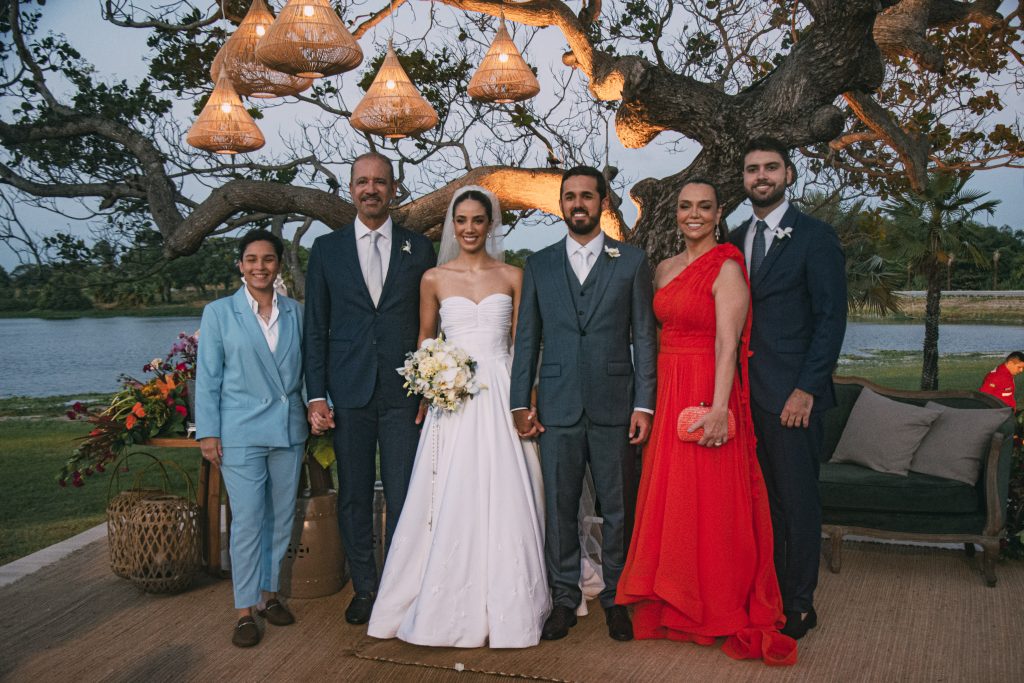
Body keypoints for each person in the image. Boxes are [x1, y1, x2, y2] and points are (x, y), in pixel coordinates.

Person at [616, 180, 797, 665]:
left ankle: (711, 603)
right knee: (671, 497)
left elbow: (728, 345)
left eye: (704, 207)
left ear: (719, 214)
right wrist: (646, 400)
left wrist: (719, 409)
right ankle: (670, 598)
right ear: (675, 213)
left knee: (709, 501)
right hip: (668, 385)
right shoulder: (663, 268)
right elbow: (650, 339)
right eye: (684, 206)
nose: (693, 214)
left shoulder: (728, 267)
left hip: (705, 390)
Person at [367, 186, 550, 648]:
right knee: (452, 486)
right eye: (461, 221)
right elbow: (426, 339)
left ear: (491, 225)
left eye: (477, 220)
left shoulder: (514, 275)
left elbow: (522, 344)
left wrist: (525, 399)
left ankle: (512, 600)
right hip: (454, 397)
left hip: (501, 388)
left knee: (507, 486)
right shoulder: (433, 278)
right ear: (453, 226)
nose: (469, 229)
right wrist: (431, 383)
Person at [510, 166, 658, 642]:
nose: (578, 203)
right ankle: (563, 598)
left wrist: (645, 404)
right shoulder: (540, 264)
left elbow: (644, 338)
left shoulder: (631, 261)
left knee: (618, 507)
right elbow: (527, 339)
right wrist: (519, 401)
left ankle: (617, 597)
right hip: (557, 405)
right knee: (560, 506)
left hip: (616, 403)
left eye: (587, 196)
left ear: (602, 202)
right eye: (570, 196)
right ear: (561, 204)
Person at [303, 152, 436, 625]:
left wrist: (430, 384)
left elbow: (431, 323)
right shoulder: (326, 250)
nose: (371, 189)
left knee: (404, 494)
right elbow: (315, 327)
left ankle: (400, 589)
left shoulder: (419, 248)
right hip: (349, 392)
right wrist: (315, 394)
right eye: (363, 181)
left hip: (404, 394)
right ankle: (365, 586)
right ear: (351, 188)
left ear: (393, 189)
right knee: (354, 494)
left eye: (380, 181)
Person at [728, 137, 847, 640]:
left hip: (791, 399)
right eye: (753, 169)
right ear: (744, 179)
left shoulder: (815, 237)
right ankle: (761, 592)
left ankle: (798, 603)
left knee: (795, 502)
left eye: (771, 168)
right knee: (752, 501)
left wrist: (807, 389)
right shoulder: (731, 240)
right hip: (738, 396)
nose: (762, 176)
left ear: (789, 175)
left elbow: (830, 319)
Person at [194, 229, 308, 647]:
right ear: (240, 266)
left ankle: (269, 594)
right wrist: (208, 431)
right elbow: (207, 377)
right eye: (251, 259)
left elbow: (311, 368)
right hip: (240, 433)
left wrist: (318, 404)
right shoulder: (219, 313)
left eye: (268, 259)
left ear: (278, 263)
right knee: (246, 522)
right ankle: (244, 610)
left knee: (280, 519)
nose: (260, 266)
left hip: (288, 428)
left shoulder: (297, 312)